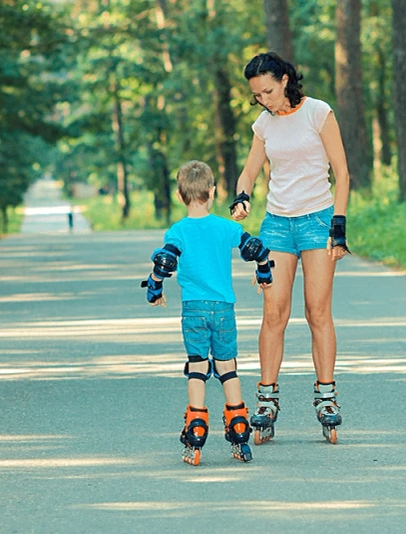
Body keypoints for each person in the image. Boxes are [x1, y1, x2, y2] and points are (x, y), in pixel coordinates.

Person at [230, 52, 351, 445]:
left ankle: (327, 397)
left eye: (267, 90)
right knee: (273, 313)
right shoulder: (263, 124)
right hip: (277, 225)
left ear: (284, 79)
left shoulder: (318, 112)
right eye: (256, 94)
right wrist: (242, 196)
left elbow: (343, 172)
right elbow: (249, 169)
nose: (263, 99)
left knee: (317, 311)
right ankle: (266, 401)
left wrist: (339, 226)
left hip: (318, 220)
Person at [141, 160, 275, 466]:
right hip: (224, 309)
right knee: (227, 366)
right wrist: (264, 274)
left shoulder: (178, 231)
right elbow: (256, 248)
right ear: (213, 192)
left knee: (198, 366)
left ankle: (197, 427)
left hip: (193, 310)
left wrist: (155, 289)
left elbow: (165, 261)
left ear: (179, 195)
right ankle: (240, 428)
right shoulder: (226, 227)